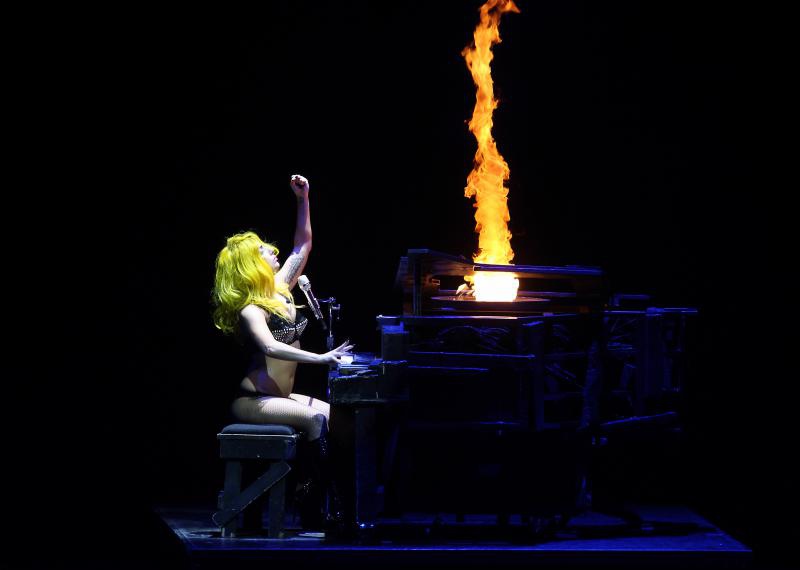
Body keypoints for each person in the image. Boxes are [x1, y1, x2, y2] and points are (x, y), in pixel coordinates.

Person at [212, 173, 352, 529]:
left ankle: (313, 493)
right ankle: (325, 509)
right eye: (263, 250)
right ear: (250, 265)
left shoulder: (281, 288)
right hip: (254, 400)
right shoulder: (251, 309)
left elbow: (302, 246)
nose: (273, 251)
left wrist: (303, 199)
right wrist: (321, 358)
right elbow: (270, 345)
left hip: (282, 397)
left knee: (343, 422)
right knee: (315, 420)